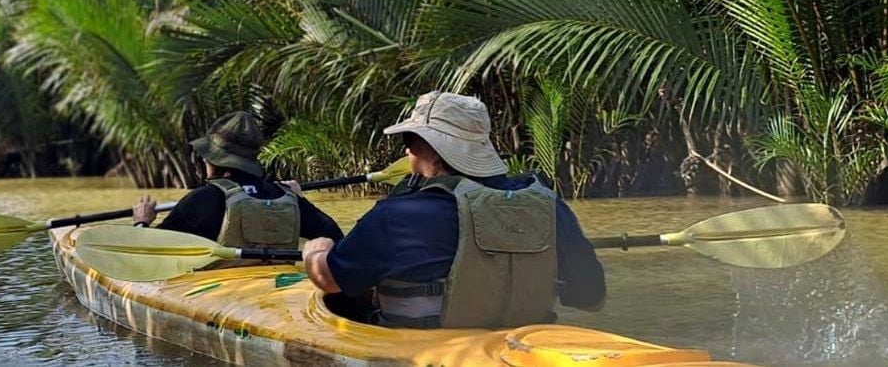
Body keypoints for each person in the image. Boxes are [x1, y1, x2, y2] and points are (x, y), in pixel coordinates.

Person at [301, 92, 605, 329]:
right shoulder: (549, 207)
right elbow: (592, 299)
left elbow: (328, 280)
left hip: (425, 351)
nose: (406, 150)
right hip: (516, 348)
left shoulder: (396, 216)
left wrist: (316, 252)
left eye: (411, 140)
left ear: (434, 150)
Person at [132, 112, 344, 266]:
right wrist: (300, 201)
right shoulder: (285, 196)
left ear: (215, 161)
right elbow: (336, 240)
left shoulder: (202, 200)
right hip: (280, 290)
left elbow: (146, 253)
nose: (204, 160)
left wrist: (142, 222)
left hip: (223, 294)